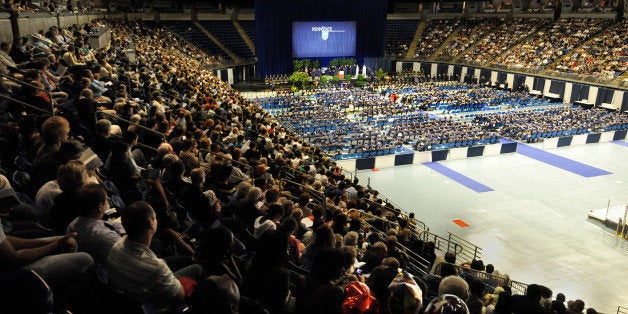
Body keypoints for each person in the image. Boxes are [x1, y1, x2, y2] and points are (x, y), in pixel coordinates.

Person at [106, 201, 202, 311]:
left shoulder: (118, 244)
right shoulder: (156, 267)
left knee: (181, 257)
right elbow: (180, 295)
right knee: (197, 269)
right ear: (151, 223)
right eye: (155, 217)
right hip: (156, 304)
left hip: (130, 291)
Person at [66, 184, 125, 267]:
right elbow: (126, 249)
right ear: (100, 207)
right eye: (106, 199)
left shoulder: (74, 224)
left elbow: (108, 224)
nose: (108, 200)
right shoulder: (105, 237)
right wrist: (125, 234)